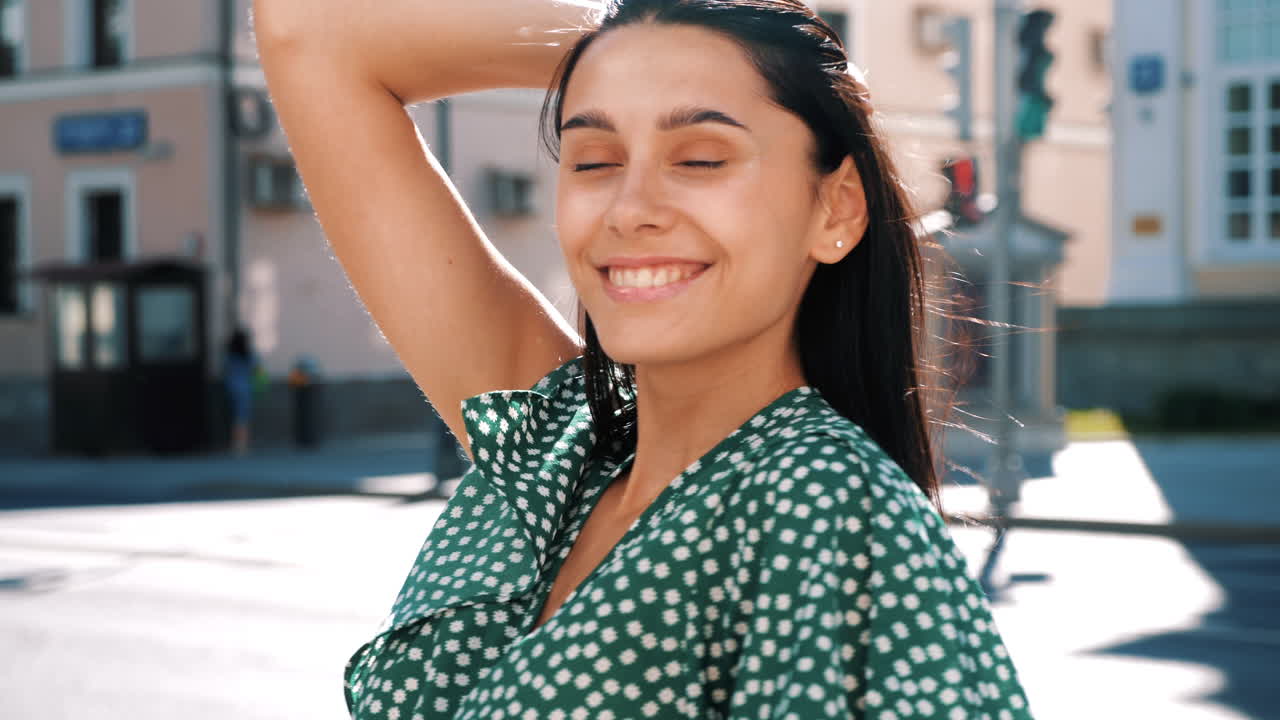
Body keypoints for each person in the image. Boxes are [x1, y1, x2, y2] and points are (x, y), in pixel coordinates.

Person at [254, 0, 1036, 717]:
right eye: (593, 160)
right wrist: (635, 38)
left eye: (700, 159)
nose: (630, 210)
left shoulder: (821, 500)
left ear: (835, 210)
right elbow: (309, 29)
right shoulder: (561, 449)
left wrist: (683, 46)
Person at [222, 327, 258, 457]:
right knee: (242, 416)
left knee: (236, 415)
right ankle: (240, 445)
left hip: (232, 386)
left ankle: (238, 444)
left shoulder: (230, 354)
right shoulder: (248, 354)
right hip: (245, 386)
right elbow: (255, 368)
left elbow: (226, 369)